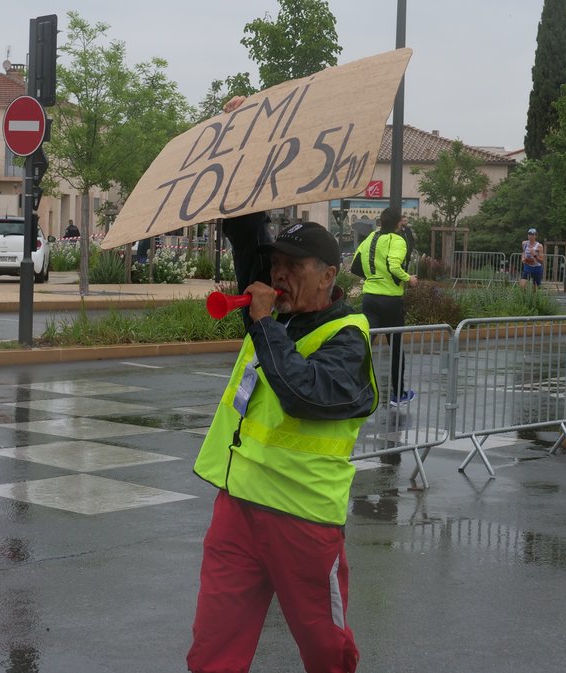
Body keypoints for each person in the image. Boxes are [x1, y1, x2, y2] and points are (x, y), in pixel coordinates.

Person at [188, 99, 378, 673]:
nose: (278, 275)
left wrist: (266, 324)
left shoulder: (348, 337)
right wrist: (243, 140)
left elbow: (305, 394)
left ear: (327, 275)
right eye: (275, 265)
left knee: (325, 650)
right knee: (212, 648)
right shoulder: (271, 307)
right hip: (238, 506)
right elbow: (245, 226)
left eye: (293, 267)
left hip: (303, 519)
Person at [354, 207, 418, 407]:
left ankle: (352, 389)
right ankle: (398, 394)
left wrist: (373, 278)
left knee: (364, 346)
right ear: (399, 222)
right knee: (396, 348)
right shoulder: (397, 240)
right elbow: (394, 265)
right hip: (390, 300)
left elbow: (356, 263)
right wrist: (409, 279)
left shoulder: (371, 237)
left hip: (370, 298)